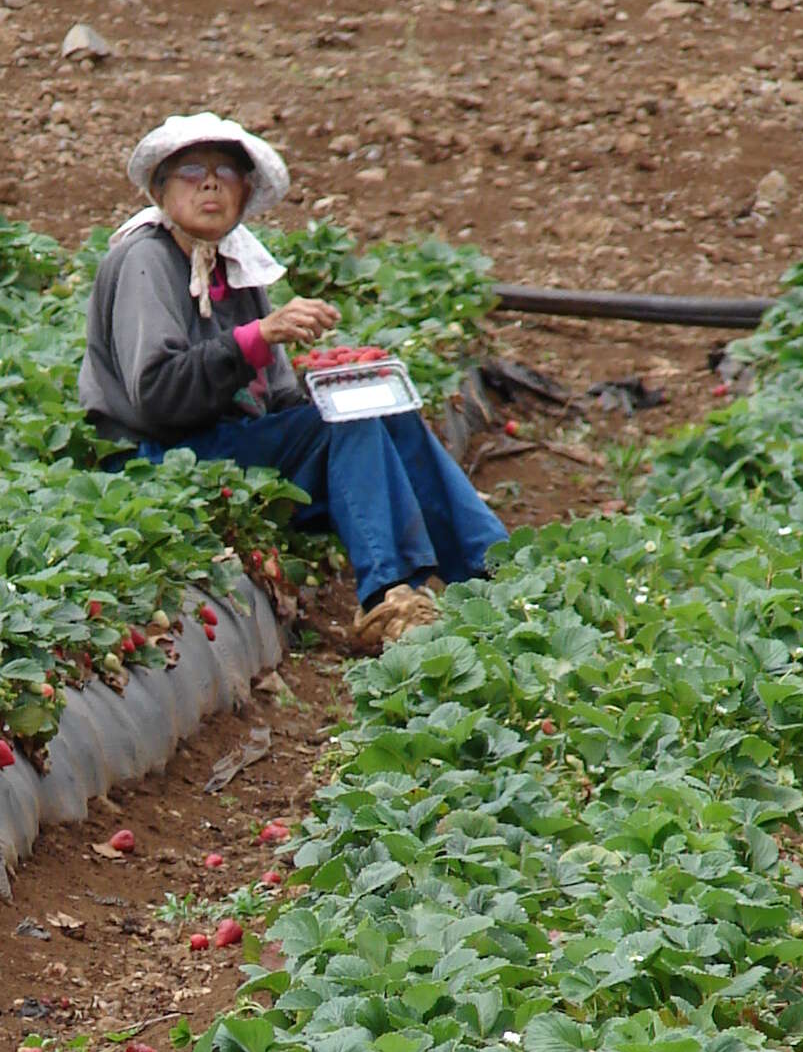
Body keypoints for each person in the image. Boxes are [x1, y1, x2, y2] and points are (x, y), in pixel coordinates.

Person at [79, 110, 506, 649]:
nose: (210, 182)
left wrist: (334, 380)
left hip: (219, 443)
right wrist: (258, 337)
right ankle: (389, 597)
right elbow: (158, 397)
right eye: (190, 170)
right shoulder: (146, 259)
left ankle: (493, 568)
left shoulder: (234, 266)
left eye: (225, 172)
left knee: (380, 409)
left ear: (245, 190)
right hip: (158, 458)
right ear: (160, 190)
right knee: (339, 425)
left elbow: (275, 399)